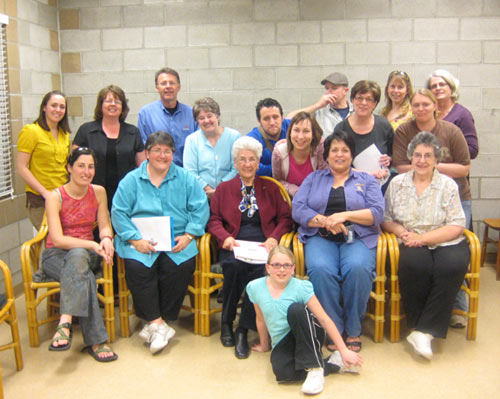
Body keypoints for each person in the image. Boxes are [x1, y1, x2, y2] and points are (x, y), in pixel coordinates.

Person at [111, 131, 209, 354]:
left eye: (167, 151)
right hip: (141, 241)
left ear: (173, 154)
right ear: (146, 153)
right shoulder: (131, 180)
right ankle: (158, 324)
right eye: (157, 150)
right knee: (137, 267)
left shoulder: (186, 178)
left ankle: (156, 324)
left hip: (177, 240)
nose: (162, 155)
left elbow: (200, 207)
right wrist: (135, 240)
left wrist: (190, 236)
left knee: (179, 266)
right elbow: (119, 212)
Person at [292, 130, 384, 352]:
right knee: (321, 269)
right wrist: (325, 221)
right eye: (335, 150)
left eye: (345, 150)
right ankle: (333, 327)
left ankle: (353, 329)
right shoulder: (313, 179)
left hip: (358, 237)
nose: (339, 154)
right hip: (320, 236)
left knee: (358, 268)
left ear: (352, 155)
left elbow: (378, 212)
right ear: (327, 154)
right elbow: (299, 209)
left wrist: (345, 216)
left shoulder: (367, 180)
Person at [382, 132, 469, 360]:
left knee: (451, 266)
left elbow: (457, 224)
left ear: (436, 159)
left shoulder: (448, 185)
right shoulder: (397, 183)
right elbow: (386, 218)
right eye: (417, 155)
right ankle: (418, 327)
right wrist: (402, 232)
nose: (422, 160)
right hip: (409, 239)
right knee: (415, 265)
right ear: (411, 158)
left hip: (445, 239)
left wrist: (425, 238)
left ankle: (424, 331)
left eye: (428, 156)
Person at [207, 136, 293, 359]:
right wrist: (224, 237)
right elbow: (213, 219)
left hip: (264, 246)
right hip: (234, 244)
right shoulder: (224, 189)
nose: (247, 164)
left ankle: (243, 330)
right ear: (235, 163)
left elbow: (285, 218)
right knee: (234, 268)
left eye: (252, 159)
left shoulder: (270, 187)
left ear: (258, 163)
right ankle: (226, 323)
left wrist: (274, 238)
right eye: (242, 159)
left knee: (261, 274)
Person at [248, 246, 363, 395]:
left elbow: (324, 319)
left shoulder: (301, 287)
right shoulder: (255, 287)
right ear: (268, 267)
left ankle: (315, 368)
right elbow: (261, 318)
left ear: (293, 268)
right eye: (276, 265)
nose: (281, 270)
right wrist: (264, 345)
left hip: (308, 330)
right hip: (283, 340)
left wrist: (344, 349)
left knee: (296, 309)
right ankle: (333, 363)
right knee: (283, 374)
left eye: (287, 265)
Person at [41, 147, 117, 362]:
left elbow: (104, 225)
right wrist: (91, 245)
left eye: (91, 166)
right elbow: (57, 239)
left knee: (79, 259)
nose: (86, 171)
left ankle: (65, 322)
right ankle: (96, 341)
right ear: (69, 168)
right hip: (55, 256)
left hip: (85, 255)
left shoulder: (99, 192)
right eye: (81, 166)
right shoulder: (55, 197)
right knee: (83, 270)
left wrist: (105, 239)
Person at [393, 89, 471, 227]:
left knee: (455, 242)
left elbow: (464, 169)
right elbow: (400, 167)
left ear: (435, 106)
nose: (420, 109)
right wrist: (430, 166)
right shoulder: (404, 131)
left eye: (426, 104)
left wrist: (429, 166)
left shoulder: (452, 131)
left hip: (455, 198)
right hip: (415, 200)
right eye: (416, 105)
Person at [73, 85, 146, 210]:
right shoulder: (86, 130)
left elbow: (142, 166)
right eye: (108, 101)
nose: (113, 104)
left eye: (117, 102)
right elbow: (74, 165)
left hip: (126, 195)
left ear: (123, 107)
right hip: (91, 194)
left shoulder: (133, 132)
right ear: (100, 105)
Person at [17, 90, 71, 230]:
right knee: (51, 242)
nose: (58, 110)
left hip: (62, 196)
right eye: (54, 105)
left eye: (62, 107)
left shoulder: (64, 133)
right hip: (40, 198)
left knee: (64, 242)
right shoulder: (31, 131)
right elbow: (21, 167)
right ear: (44, 107)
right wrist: (45, 193)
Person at [334, 80, 394, 187]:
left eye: (369, 99)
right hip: (350, 185)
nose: (363, 103)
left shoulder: (384, 125)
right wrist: (368, 174)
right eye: (359, 98)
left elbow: (393, 154)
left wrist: (389, 159)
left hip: (380, 184)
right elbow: (336, 163)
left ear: (375, 103)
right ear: (352, 99)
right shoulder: (341, 128)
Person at [137, 67, 198, 166]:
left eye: (172, 83)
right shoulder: (146, 114)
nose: (168, 86)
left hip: (186, 173)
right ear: (157, 88)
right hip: (157, 173)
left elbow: (198, 147)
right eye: (163, 83)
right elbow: (143, 150)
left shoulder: (192, 114)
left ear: (179, 87)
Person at [183, 97, 241, 200]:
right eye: (201, 118)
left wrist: (220, 190)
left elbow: (236, 168)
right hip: (201, 195)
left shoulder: (234, 137)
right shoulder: (191, 140)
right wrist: (207, 189)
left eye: (209, 116)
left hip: (229, 194)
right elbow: (190, 171)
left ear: (218, 116)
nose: (206, 121)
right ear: (197, 121)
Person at [271, 112, 327, 197]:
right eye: (296, 130)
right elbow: (277, 180)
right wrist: (296, 191)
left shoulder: (320, 148)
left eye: (306, 131)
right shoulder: (279, 153)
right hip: (290, 199)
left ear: (313, 135)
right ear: (290, 132)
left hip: (316, 195)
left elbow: (325, 177)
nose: (300, 136)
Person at [426, 69, 478, 160]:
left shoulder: (462, 115)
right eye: (434, 86)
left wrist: (443, 152)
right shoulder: (427, 114)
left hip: (453, 170)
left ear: (451, 87)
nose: (438, 88)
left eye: (442, 84)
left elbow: (472, 150)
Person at [286, 72, 353, 137]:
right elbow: (288, 119)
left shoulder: (356, 111)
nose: (328, 92)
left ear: (345, 91)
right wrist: (318, 105)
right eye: (327, 88)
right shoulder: (319, 112)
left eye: (334, 88)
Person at [247, 98, 291, 177]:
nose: (272, 122)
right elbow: (252, 166)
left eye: (275, 117)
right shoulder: (251, 139)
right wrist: (284, 168)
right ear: (259, 121)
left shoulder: (293, 127)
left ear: (282, 117)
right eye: (266, 118)